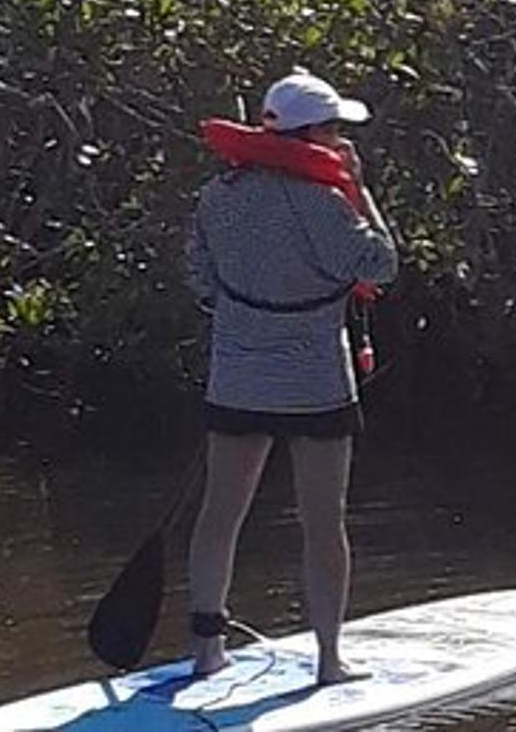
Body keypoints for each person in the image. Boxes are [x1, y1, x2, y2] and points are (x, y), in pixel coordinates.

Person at [184, 70, 398, 682]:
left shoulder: (217, 194)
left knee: (219, 514)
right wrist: (360, 187)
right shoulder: (326, 202)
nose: (340, 142)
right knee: (323, 522)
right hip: (314, 383)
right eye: (335, 131)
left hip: (237, 378)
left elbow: (199, 275)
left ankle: (207, 651)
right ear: (319, 134)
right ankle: (330, 661)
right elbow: (381, 266)